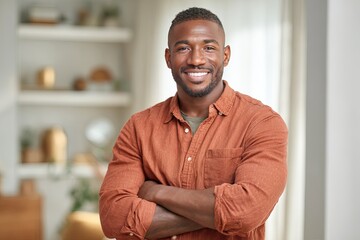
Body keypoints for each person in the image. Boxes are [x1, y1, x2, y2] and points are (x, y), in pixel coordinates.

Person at [99, 7, 288, 240]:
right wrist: (218, 214)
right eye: (183, 48)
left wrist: (156, 192)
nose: (196, 59)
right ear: (168, 58)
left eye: (209, 48)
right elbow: (113, 218)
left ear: (225, 56)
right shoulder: (138, 127)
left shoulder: (262, 123)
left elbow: (247, 212)